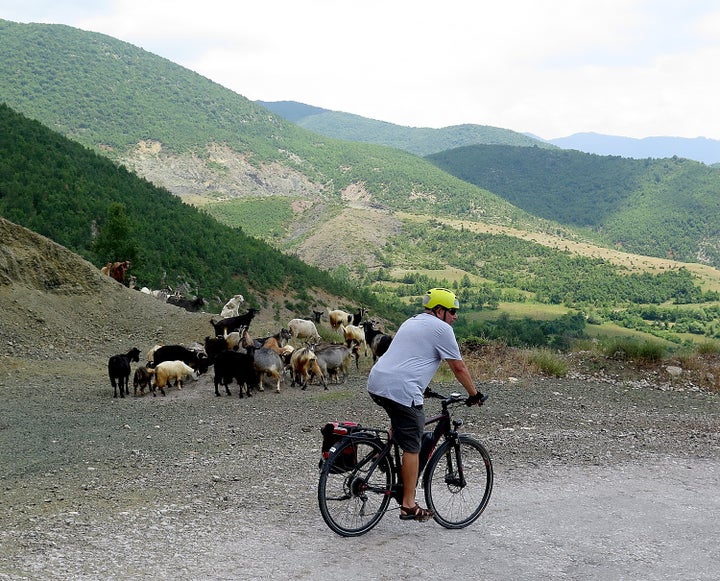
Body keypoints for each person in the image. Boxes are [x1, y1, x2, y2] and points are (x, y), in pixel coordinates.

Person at [367, 287, 486, 522]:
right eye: (452, 311)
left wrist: (423, 388)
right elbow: (458, 367)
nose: (456, 316)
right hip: (401, 389)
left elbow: (409, 357)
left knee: (401, 423)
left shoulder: (411, 321)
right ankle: (408, 505)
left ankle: (380, 458)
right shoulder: (442, 329)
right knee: (413, 444)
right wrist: (474, 394)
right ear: (439, 310)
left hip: (377, 381)